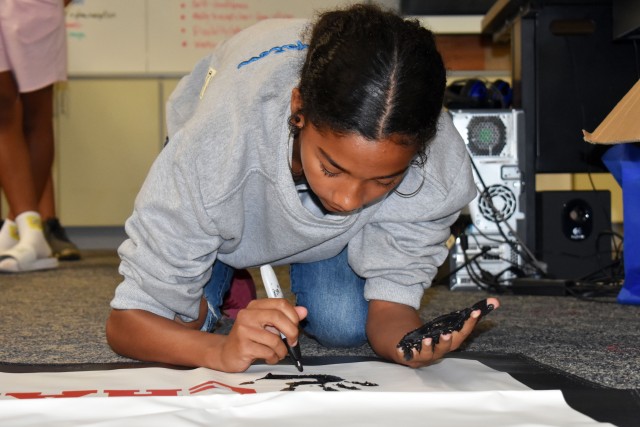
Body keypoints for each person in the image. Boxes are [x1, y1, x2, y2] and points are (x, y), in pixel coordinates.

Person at [106, 4, 499, 372]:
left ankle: (276, 239)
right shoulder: (214, 152)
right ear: (299, 110)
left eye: (384, 180)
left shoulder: (434, 158)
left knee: (345, 325)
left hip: (251, 185)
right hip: (226, 181)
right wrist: (220, 351)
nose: (346, 201)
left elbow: (392, 306)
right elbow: (126, 324)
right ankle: (227, 259)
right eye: (332, 168)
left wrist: (411, 344)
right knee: (183, 323)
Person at [0, 0, 80, 272]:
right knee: (2, 108)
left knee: (36, 114)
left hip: (33, 8)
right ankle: (23, 228)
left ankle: (26, 229)